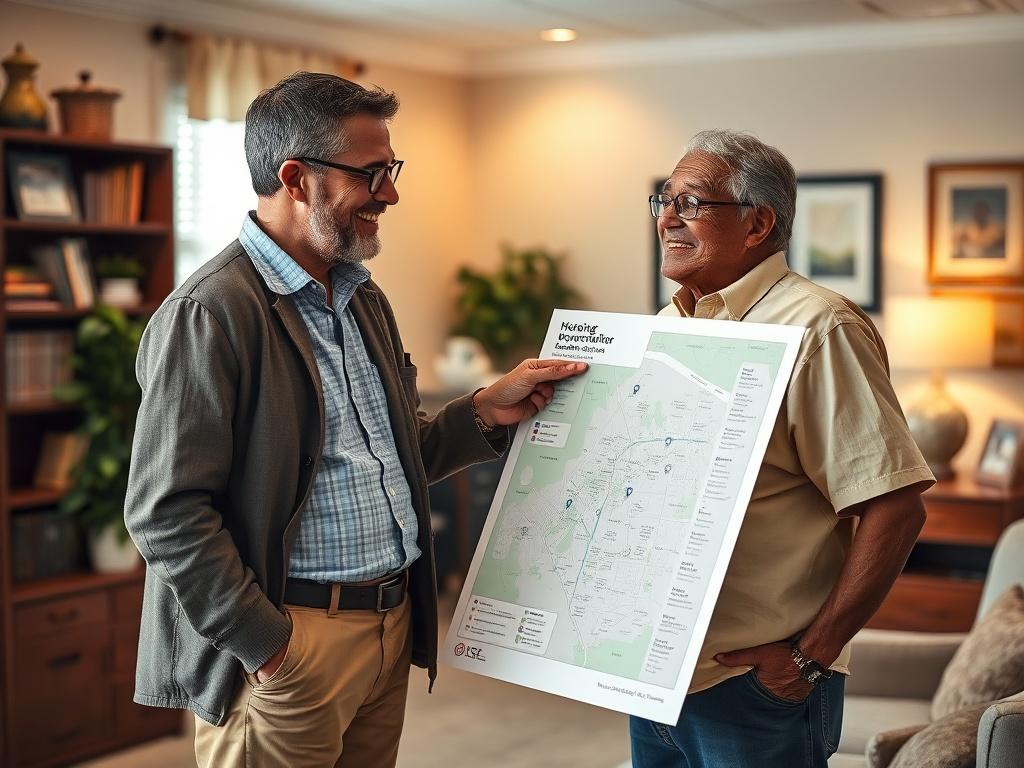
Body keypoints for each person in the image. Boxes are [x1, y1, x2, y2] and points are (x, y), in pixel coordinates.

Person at [124, 71, 585, 768]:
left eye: (391, 169)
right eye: (373, 173)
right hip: (289, 645)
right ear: (296, 178)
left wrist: (484, 410)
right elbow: (164, 511)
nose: (392, 193)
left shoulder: (361, 299)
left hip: (388, 628)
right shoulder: (210, 314)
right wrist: (268, 646)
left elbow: (387, 459)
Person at [633, 129, 934, 768]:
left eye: (691, 203)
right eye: (665, 200)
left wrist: (808, 658)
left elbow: (897, 507)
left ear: (757, 223)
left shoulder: (820, 328)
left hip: (753, 684)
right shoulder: (666, 327)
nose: (667, 219)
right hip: (654, 672)